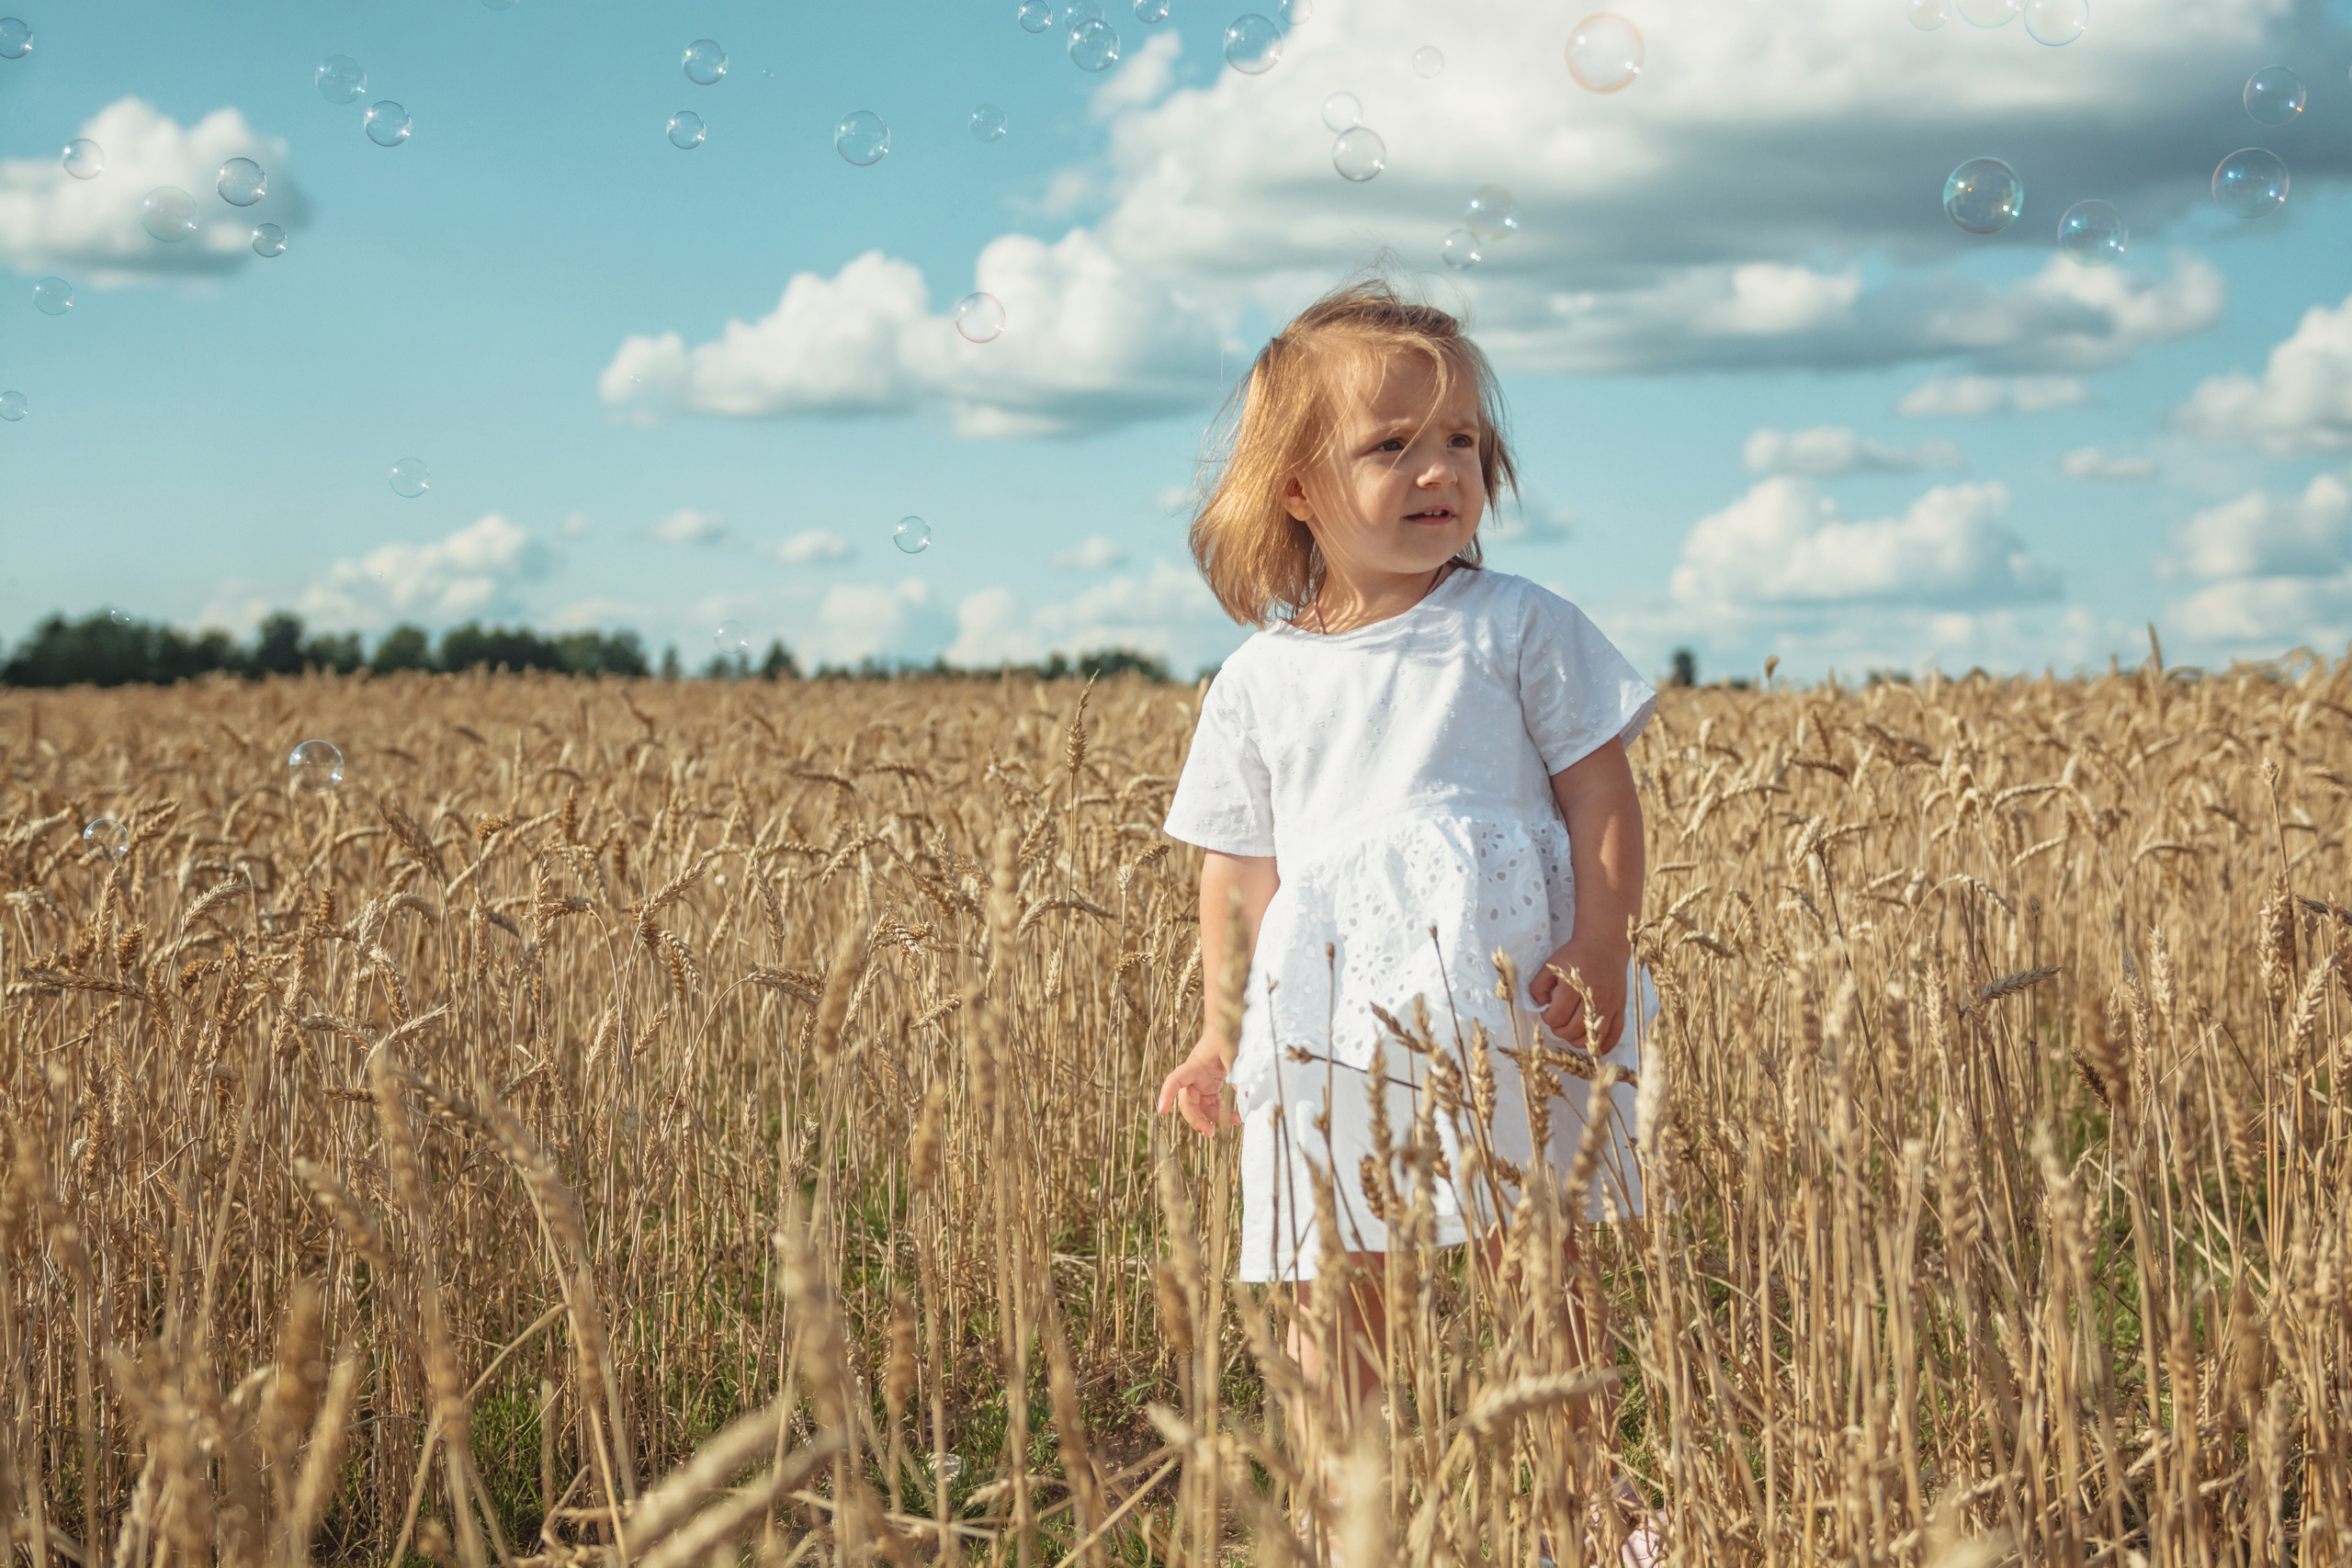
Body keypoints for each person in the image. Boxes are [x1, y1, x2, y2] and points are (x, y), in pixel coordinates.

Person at [1154, 274, 1660, 1563]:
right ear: (1297, 489)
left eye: (1464, 445)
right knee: (1338, 1291)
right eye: (1392, 445)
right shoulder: (1259, 681)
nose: (1440, 470)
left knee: (1535, 1270)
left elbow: (1603, 796)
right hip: (1330, 1025)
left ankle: (1581, 1515)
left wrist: (1599, 944)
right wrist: (1220, 1036)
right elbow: (1238, 880)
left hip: (1505, 1004)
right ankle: (1348, 1526)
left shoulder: (1517, 626)